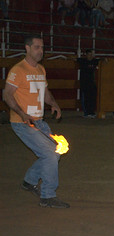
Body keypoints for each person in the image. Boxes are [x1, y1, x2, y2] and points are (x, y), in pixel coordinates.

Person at [3, 35, 70, 209]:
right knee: (49, 154)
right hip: (22, 122)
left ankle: (29, 181)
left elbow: (45, 92)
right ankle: (47, 196)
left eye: (42, 48)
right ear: (27, 48)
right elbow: (7, 94)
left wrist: (54, 103)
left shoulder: (41, 69)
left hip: (38, 121)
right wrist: (21, 113)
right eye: (37, 47)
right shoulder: (18, 70)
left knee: (55, 152)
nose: (41, 51)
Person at [77, 49, 100, 118]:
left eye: (92, 55)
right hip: (84, 83)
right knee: (86, 98)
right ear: (86, 55)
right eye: (89, 54)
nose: (91, 56)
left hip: (91, 83)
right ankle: (86, 113)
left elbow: (101, 60)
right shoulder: (83, 61)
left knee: (92, 98)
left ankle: (91, 112)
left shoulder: (94, 61)